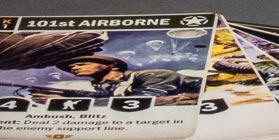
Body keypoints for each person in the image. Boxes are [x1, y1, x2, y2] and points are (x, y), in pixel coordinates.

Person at [46, 54, 194, 99]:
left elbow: (145, 100)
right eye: (71, 67)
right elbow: (102, 96)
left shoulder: (153, 75)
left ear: (113, 66)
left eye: (82, 63)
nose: (74, 68)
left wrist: (69, 100)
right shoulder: (107, 87)